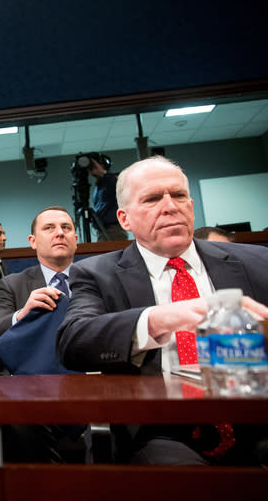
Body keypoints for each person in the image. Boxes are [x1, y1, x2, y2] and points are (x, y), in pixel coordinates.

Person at [57, 156, 268, 465]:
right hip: (162, 429)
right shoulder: (97, 274)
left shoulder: (256, 261)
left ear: (192, 206)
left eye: (179, 195)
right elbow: (74, 341)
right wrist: (162, 317)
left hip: (255, 413)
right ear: (125, 219)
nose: (170, 206)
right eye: (153, 199)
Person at [0, 206, 78, 347]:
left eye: (66, 227)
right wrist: (22, 314)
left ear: (75, 240)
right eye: (49, 228)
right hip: (36, 367)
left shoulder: (96, 279)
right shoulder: (14, 285)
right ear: (33, 241)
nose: (60, 233)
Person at [87, 153, 129, 242]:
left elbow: (119, 183)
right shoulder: (99, 186)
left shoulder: (113, 179)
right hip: (102, 230)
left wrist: (103, 173)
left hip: (114, 230)